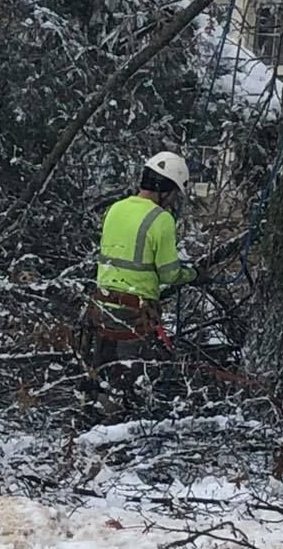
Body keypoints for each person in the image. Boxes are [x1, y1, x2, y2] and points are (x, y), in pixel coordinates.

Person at [86, 151, 206, 397]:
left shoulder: (116, 209)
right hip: (135, 313)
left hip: (102, 305)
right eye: (173, 194)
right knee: (132, 379)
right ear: (165, 188)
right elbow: (170, 275)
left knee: (102, 373)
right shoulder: (161, 220)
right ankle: (123, 421)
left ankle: (94, 414)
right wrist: (194, 275)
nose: (173, 201)